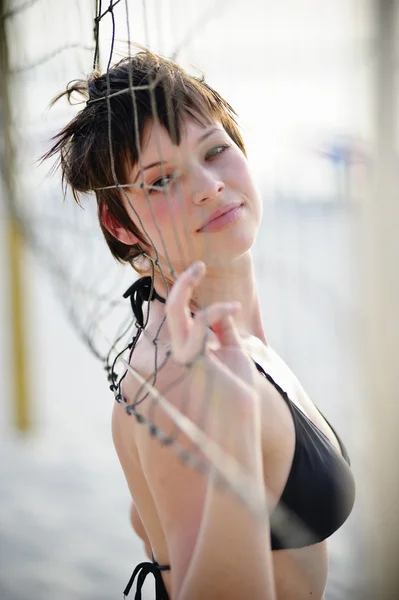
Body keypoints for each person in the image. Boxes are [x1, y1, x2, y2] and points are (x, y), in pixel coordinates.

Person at [45, 49, 356, 600]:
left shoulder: (224, 332)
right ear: (120, 224)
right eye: (160, 181)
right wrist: (230, 431)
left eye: (216, 150)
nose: (209, 185)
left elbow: (150, 526)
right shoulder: (181, 379)